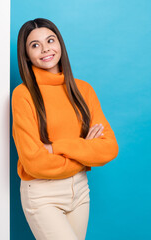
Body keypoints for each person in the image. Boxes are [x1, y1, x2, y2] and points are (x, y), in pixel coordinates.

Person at [11, 18, 119, 240]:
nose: (45, 49)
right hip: (43, 194)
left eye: (50, 40)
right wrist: (85, 151)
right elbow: (34, 162)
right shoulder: (23, 95)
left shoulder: (83, 90)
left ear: (60, 43)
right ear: (27, 55)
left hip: (80, 191)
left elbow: (109, 148)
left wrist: (56, 147)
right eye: (35, 45)